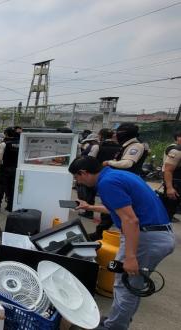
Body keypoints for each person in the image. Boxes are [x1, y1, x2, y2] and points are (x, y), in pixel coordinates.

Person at [69, 156, 174, 330]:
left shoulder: (106, 184)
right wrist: (90, 207)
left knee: (126, 285)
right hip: (158, 234)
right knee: (131, 284)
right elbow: (121, 208)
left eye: (76, 177)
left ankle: (114, 327)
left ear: (83, 173)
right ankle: (116, 321)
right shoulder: (118, 175)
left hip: (146, 238)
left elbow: (130, 220)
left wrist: (130, 257)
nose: (77, 181)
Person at [90, 128, 123, 240]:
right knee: (114, 205)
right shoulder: (121, 147)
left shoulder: (98, 146)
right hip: (117, 176)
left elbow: (90, 160)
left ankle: (101, 232)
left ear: (101, 135)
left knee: (106, 203)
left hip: (100, 175)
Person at [0, 127, 20, 212]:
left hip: (5, 169)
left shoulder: (4, 144)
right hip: (15, 169)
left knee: (0, 188)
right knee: (11, 188)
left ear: (6, 134)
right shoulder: (20, 143)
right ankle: (10, 206)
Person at [76, 133, 100, 218]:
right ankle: (88, 211)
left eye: (90, 141)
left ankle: (89, 213)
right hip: (91, 172)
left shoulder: (95, 147)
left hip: (89, 171)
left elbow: (89, 159)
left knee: (88, 195)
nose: (89, 143)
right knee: (89, 195)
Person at [161, 131, 181, 223]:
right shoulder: (175, 150)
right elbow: (168, 170)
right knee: (169, 208)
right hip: (175, 183)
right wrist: (169, 187)